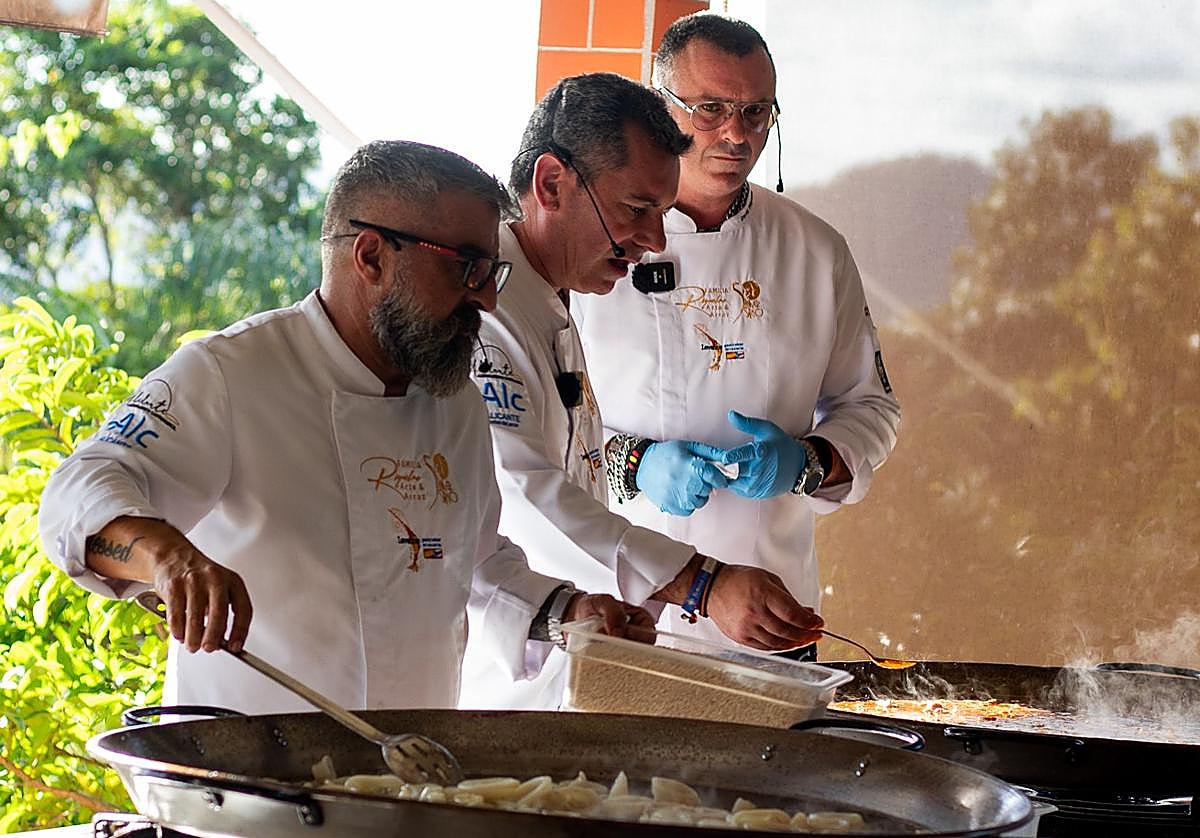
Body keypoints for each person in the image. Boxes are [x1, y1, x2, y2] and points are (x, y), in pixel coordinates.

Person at [38, 140, 651, 715]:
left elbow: (473, 563)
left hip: (404, 777)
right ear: (372, 257)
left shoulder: (456, 401)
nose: (487, 300)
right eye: (466, 269)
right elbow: (78, 491)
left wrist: (565, 610)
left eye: (491, 272)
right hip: (251, 791)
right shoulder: (232, 374)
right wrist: (166, 557)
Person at [458, 73, 824, 711]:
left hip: (585, 647)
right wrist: (701, 585)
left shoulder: (554, 302)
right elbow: (523, 489)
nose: (656, 241)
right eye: (637, 210)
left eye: (663, 212)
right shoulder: (491, 312)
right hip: (507, 681)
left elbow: (579, 467)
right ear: (551, 185)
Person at [573, 14, 902, 657]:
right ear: (662, 109)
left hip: (769, 615)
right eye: (710, 108)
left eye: (756, 111)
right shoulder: (594, 242)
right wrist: (635, 463)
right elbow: (540, 431)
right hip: (619, 608)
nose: (736, 133)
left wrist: (805, 461)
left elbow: (872, 408)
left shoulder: (815, 251)